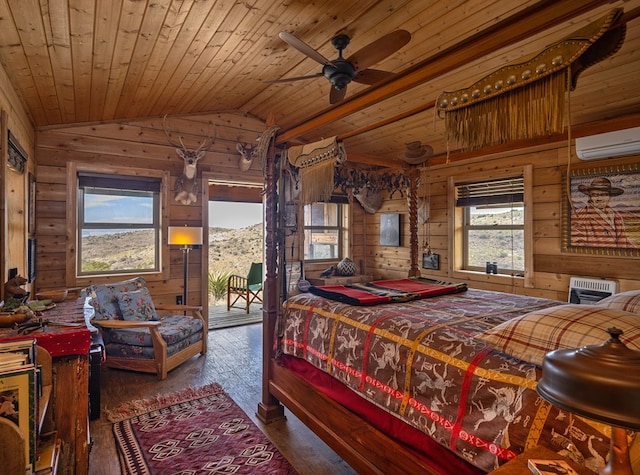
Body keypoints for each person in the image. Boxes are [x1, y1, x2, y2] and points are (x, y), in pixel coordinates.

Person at [571, 177, 635, 248]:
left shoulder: (617, 216)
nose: (599, 199)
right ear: (590, 196)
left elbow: (625, 243)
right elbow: (577, 246)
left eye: (604, 195)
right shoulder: (580, 216)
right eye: (595, 195)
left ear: (609, 196)